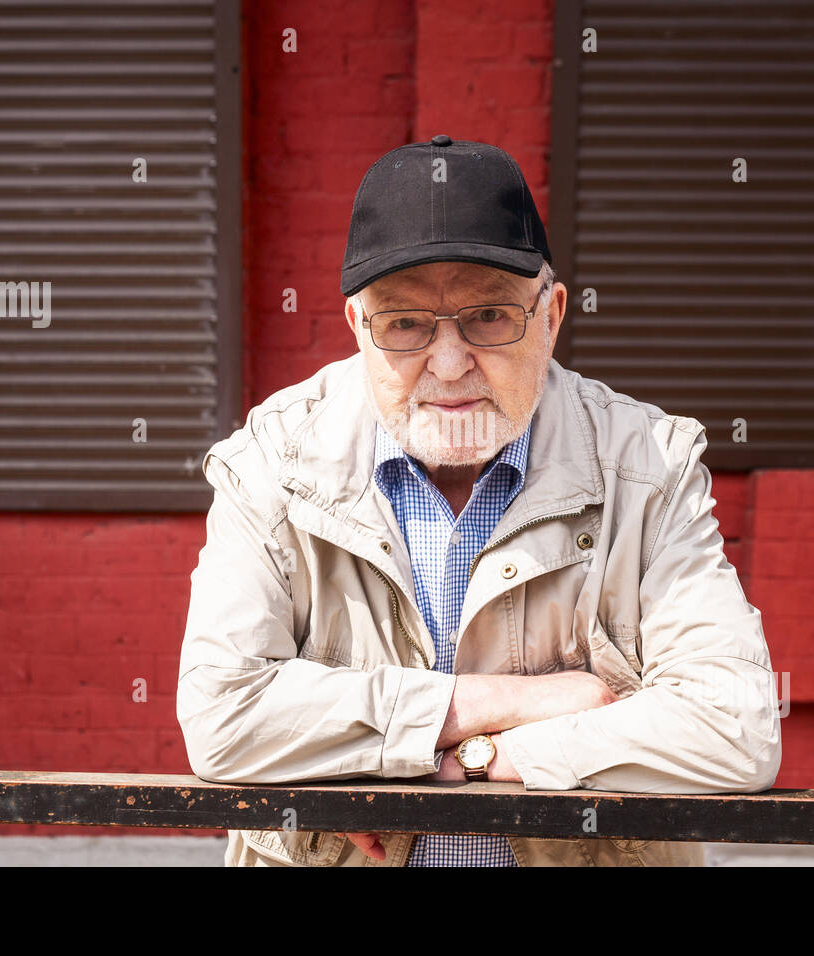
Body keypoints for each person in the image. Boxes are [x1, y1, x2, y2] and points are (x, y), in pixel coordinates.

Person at [177, 135, 782, 866]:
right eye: (404, 324)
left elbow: (737, 728)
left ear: (552, 315)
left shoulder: (647, 464)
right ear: (357, 330)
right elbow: (223, 717)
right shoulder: (271, 464)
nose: (450, 361)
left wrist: (462, 760)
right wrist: (509, 704)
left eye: (490, 316)